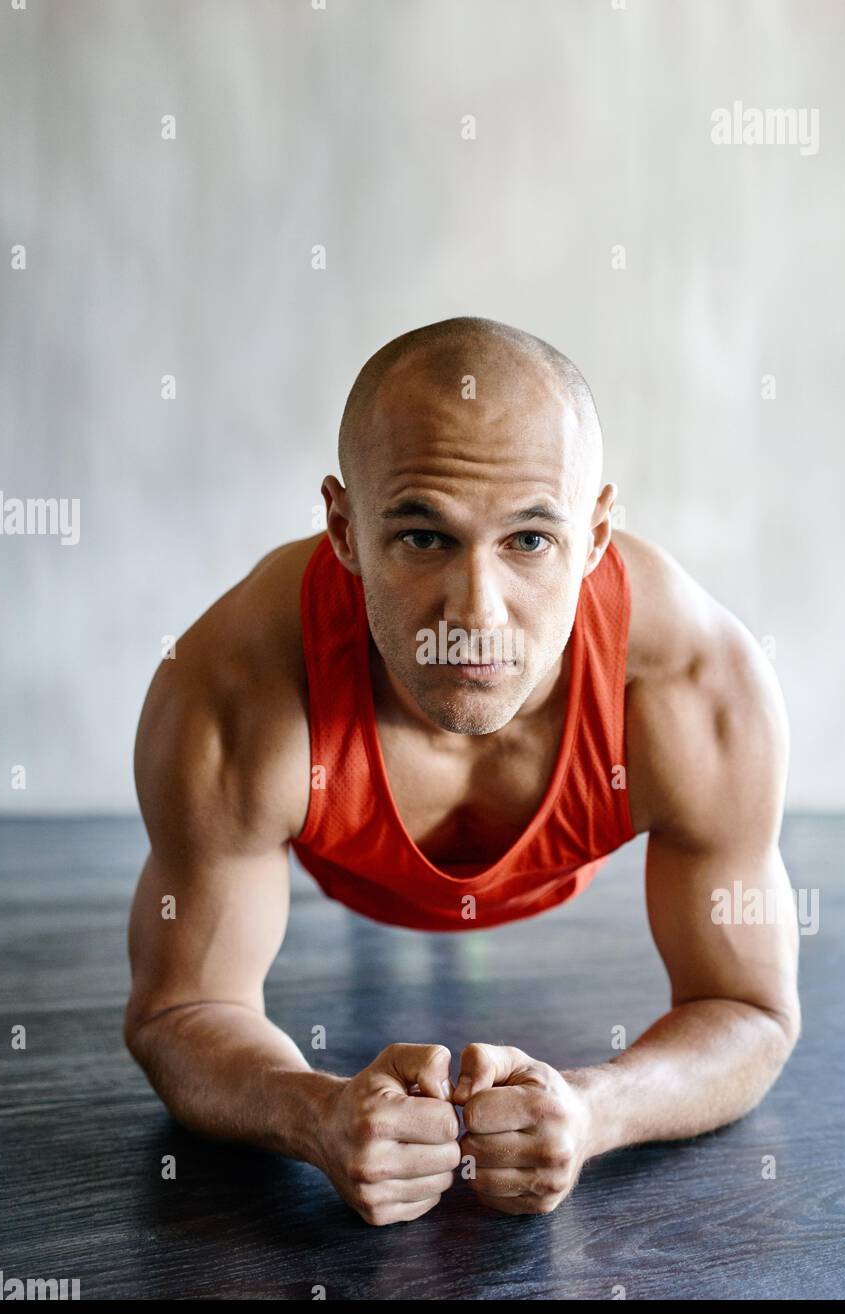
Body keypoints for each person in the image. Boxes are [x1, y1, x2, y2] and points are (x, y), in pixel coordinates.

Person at [124, 316, 801, 1225]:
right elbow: (180, 1012)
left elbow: (750, 1010)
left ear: (595, 536)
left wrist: (591, 1112)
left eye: (528, 541)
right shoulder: (236, 687)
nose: (475, 614)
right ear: (344, 530)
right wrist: (314, 1113)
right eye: (422, 538)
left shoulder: (692, 687)